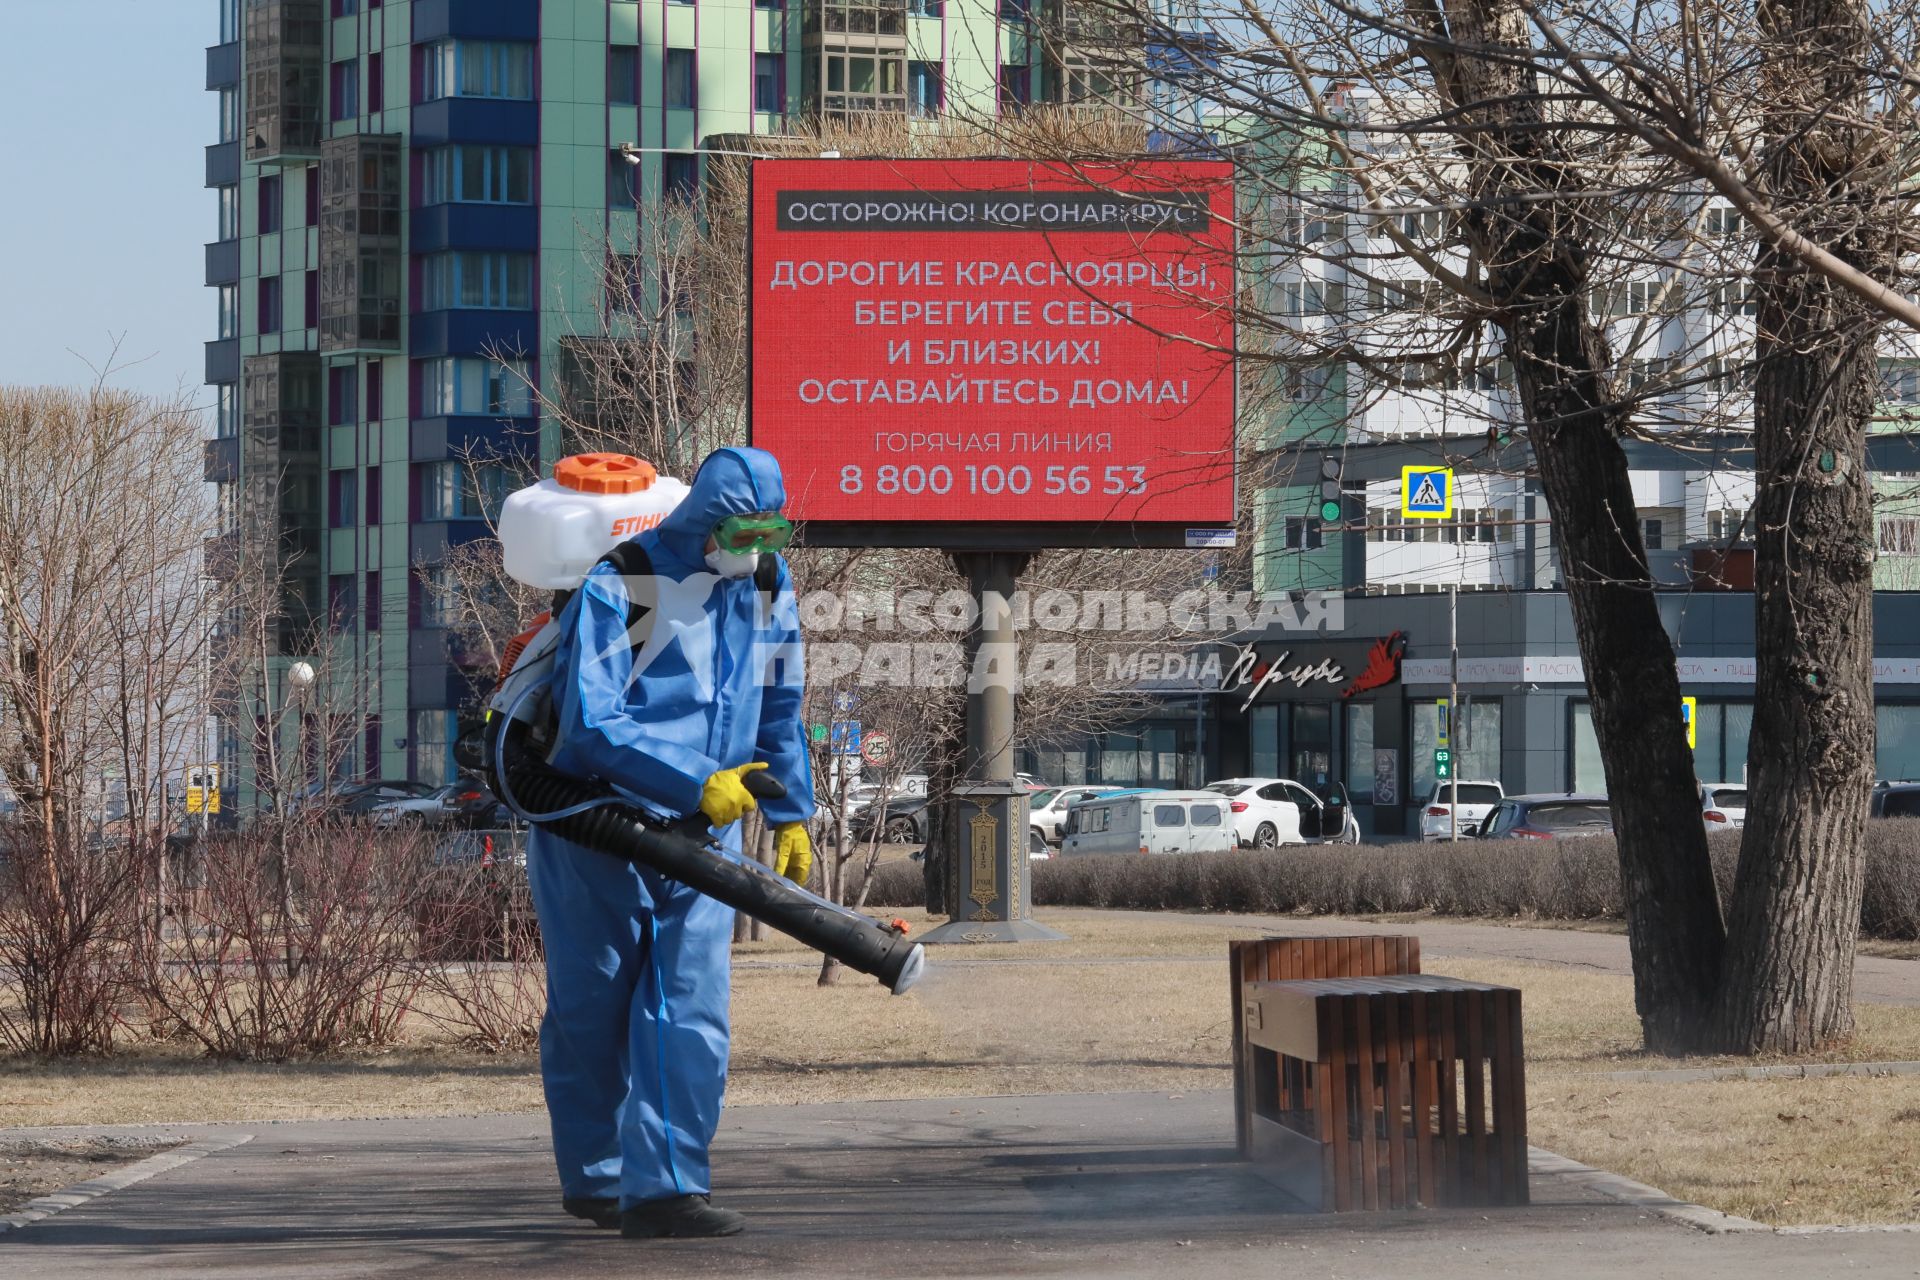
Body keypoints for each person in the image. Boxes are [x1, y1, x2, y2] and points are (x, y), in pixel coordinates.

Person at [526, 445, 815, 1240]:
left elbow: (781, 707)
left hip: (702, 838)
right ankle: (599, 1179)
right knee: (593, 1006)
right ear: (705, 520)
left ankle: (665, 1188)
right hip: (599, 826)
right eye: (744, 531)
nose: (755, 548)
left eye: (770, 533)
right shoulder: (621, 581)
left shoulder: (764, 585)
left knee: (690, 1009)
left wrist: (792, 812)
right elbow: (591, 725)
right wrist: (692, 781)